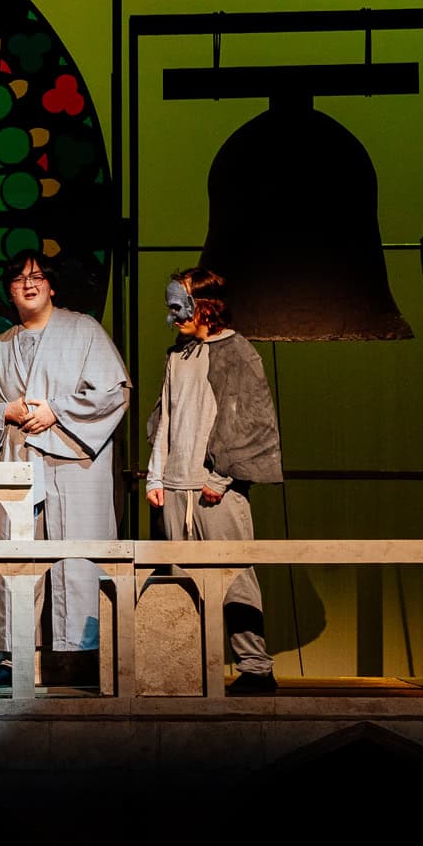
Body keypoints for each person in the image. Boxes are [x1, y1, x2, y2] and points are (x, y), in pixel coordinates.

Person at [0, 251, 130, 686]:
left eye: (37, 276)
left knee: (80, 555)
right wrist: (7, 410)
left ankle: (85, 658)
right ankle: (17, 662)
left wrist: (57, 410)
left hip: (75, 462)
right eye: (19, 279)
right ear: (10, 291)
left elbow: (113, 392)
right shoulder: (0, 346)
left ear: (52, 285)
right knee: (17, 559)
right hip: (21, 462)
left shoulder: (83, 330)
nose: (29, 284)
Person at [143, 268, 284, 694]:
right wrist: (156, 475)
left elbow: (252, 421)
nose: (173, 316)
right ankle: (187, 672)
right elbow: (166, 418)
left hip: (214, 492)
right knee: (181, 584)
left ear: (204, 305)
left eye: (180, 304)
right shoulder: (178, 356)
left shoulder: (237, 352)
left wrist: (221, 478)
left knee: (234, 578)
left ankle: (255, 668)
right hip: (175, 487)